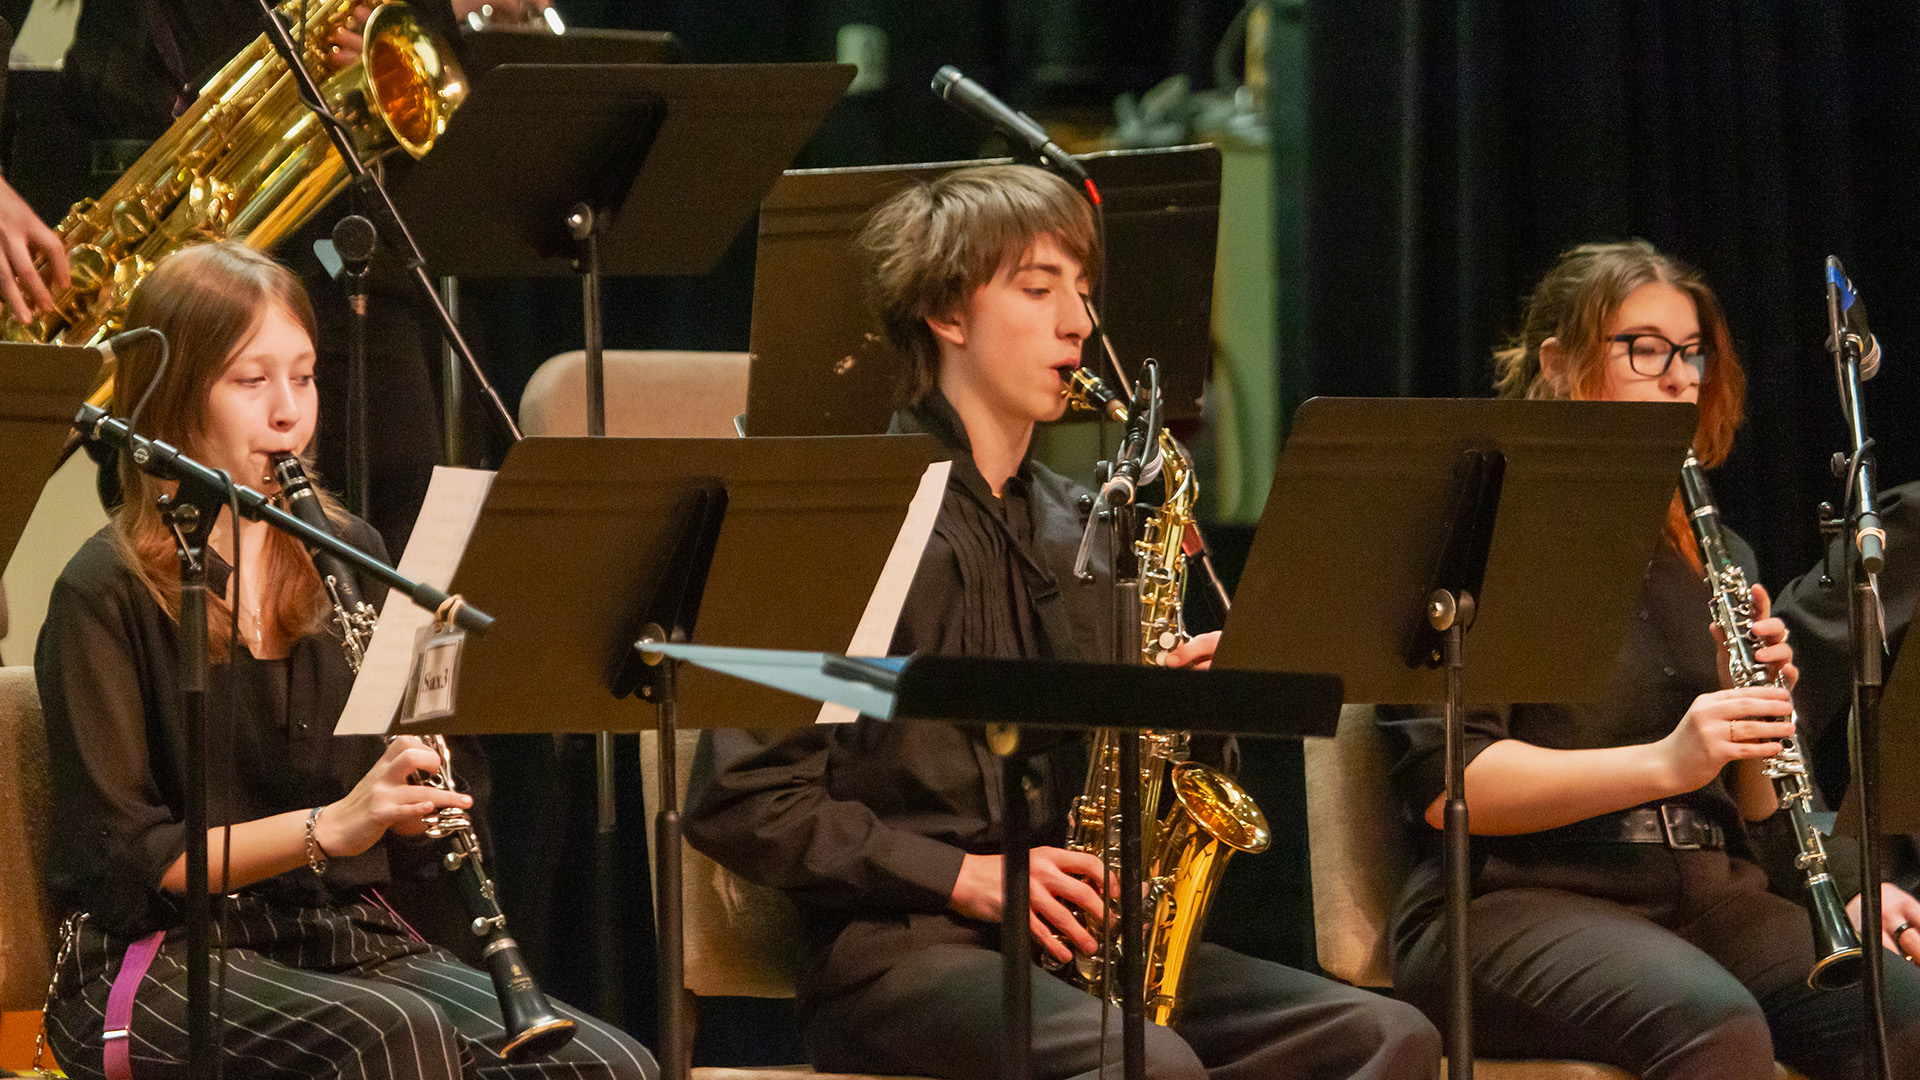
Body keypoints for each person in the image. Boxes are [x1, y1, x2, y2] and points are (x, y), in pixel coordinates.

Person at [683, 164, 1442, 1080]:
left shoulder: (1085, 524)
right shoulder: (846, 525)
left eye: (1081, 292)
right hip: (903, 955)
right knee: (1149, 1067)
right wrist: (963, 878)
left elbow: (1142, 782)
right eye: (1039, 290)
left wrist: (1188, 717)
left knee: (1392, 1038)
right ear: (948, 315)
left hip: (1085, 947)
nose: (1079, 322)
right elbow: (744, 797)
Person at [34, 241, 655, 1080]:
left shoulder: (351, 552)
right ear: (174, 402)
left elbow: (393, 801)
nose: (288, 412)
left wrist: (418, 769)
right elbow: (137, 861)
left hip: (336, 938)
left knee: (610, 1065)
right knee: (395, 1034)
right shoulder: (103, 590)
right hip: (159, 957)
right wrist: (336, 826)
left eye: (305, 376)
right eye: (251, 382)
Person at [1379, 239, 1920, 1079]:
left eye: (1692, 353)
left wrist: (1759, 721)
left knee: (1903, 1011)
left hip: (1708, 893)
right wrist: (1670, 761)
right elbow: (1454, 786)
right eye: (1644, 349)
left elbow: (1760, 817)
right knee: (1716, 1025)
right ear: (1558, 363)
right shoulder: (1474, 533)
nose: (1678, 377)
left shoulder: (1718, 552)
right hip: (1513, 897)